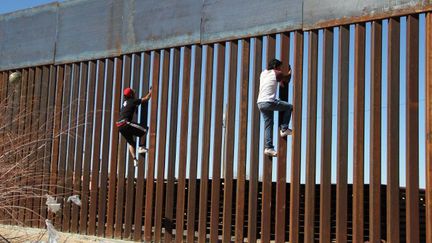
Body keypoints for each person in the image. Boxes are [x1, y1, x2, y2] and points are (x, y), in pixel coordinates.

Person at [257, 58, 293, 157]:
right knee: (289, 107)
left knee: (268, 124)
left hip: (260, 103)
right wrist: (290, 72)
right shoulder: (277, 73)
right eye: (280, 67)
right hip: (269, 102)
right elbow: (287, 79)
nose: (281, 69)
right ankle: (284, 128)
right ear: (275, 67)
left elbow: (276, 81)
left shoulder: (263, 73)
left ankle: (268, 147)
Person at [116, 87, 152, 165]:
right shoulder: (132, 101)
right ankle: (141, 146)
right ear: (132, 95)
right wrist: (151, 92)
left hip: (119, 126)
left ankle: (134, 159)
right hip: (125, 123)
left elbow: (132, 105)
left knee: (131, 143)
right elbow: (145, 99)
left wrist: (133, 94)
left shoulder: (125, 103)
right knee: (145, 130)